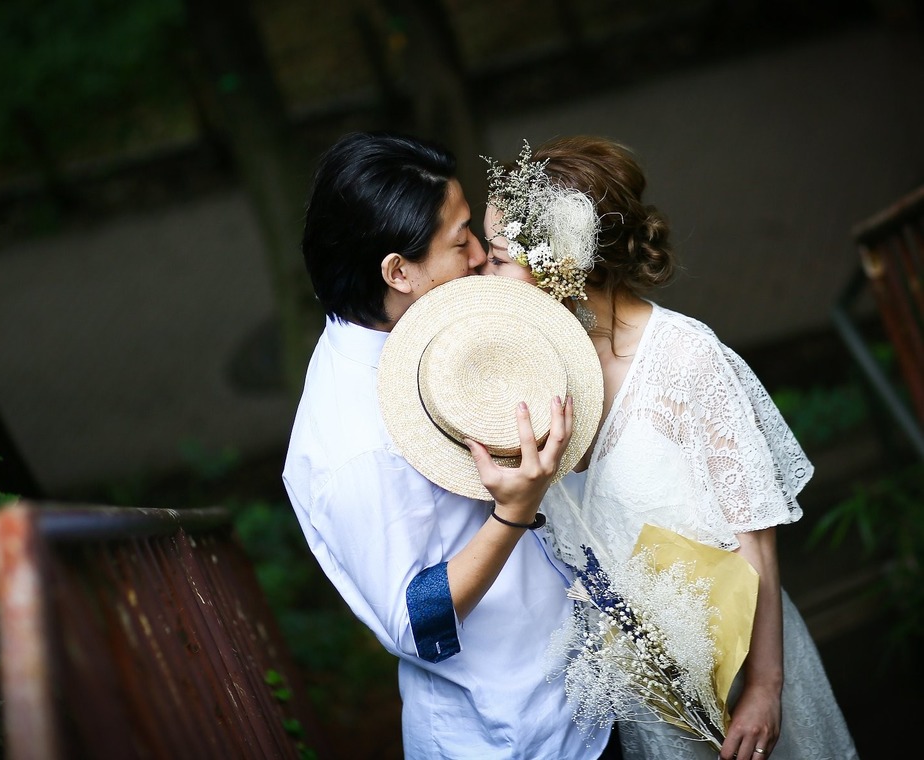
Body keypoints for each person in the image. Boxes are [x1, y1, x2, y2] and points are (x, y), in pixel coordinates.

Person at [480, 135, 859, 760]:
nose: (483, 274)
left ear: (558, 263)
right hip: (653, 694)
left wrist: (765, 686)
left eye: (498, 257)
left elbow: (754, 531)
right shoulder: (540, 376)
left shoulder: (685, 358)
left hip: (746, 670)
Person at [283, 131, 617, 759]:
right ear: (398, 271)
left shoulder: (430, 332)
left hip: (589, 697)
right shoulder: (355, 448)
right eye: (461, 239)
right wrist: (514, 513)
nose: (479, 254)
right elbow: (417, 622)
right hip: (516, 736)